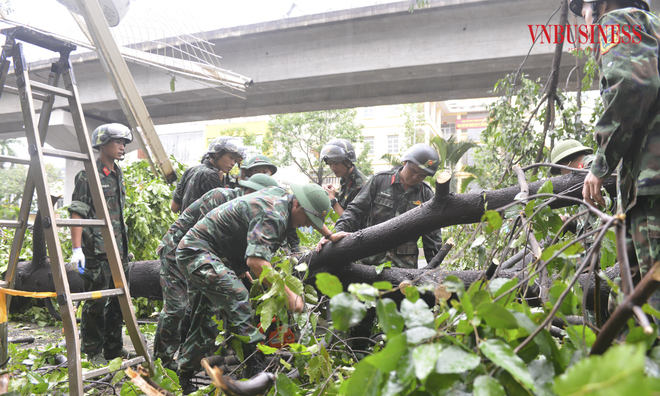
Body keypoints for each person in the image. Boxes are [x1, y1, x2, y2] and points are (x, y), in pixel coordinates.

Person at [175, 183, 347, 394]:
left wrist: (329, 235)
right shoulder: (273, 214)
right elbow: (256, 262)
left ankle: (182, 377)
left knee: (203, 320)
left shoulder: (285, 201)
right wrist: (290, 295)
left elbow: (308, 213)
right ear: (298, 206)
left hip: (217, 254)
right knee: (238, 295)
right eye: (308, 220)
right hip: (196, 251)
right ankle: (256, 364)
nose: (307, 226)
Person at [573, 0, 660, 313]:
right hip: (644, 187)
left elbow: (631, 87)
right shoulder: (652, 27)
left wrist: (601, 163)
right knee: (627, 304)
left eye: (582, 7)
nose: (582, 17)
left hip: (652, 185)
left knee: (651, 299)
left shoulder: (618, 21)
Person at [154, 174, 280, 372]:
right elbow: (210, 238)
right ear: (249, 192)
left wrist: (241, 270)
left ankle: (185, 369)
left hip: (202, 259)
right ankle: (162, 364)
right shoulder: (220, 197)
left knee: (203, 313)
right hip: (177, 252)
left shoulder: (252, 212)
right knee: (176, 308)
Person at [68, 123, 133, 366]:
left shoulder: (117, 173)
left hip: (119, 250)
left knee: (119, 301)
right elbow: (78, 213)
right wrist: (76, 249)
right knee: (96, 303)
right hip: (96, 251)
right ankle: (93, 350)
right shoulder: (88, 175)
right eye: (118, 142)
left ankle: (113, 348)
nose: (122, 147)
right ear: (102, 144)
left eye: (124, 143)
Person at [334, 143, 443, 269]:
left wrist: (434, 273)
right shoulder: (379, 181)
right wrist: (336, 233)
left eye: (422, 175)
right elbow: (354, 211)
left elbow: (433, 238)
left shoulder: (426, 195)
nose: (415, 177)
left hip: (404, 269)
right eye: (413, 171)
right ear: (405, 163)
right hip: (370, 263)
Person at [170, 136, 246, 213]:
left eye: (235, 161)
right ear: (217, 154)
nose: (233, 163)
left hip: (182, 224)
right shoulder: (210, 175)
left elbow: (174, 207)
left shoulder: (190, 170)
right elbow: (220, 214)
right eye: (231, 157)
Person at [320, 138, 368, 216]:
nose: (333, 168)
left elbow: (349, 221)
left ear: (348, 161)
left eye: (336, 163)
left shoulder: (360, 185)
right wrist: (334, 193)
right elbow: (349, 199)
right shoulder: (345, 178)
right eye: (330, 164)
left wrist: (332, 200)